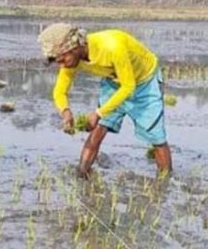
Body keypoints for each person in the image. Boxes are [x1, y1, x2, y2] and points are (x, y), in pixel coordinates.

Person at [38, 23, 172, 177]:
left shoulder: (112, 46)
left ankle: (166, 183)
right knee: (97, 130)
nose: (62, 66)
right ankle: (82, 174)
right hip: (114, 80)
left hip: (145, 82)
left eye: (62, 60)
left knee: (156, 137)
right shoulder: (72, 60)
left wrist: (99, 113)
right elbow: (60, 91)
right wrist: (66, 112)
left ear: (74, 47)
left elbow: (128, 86)